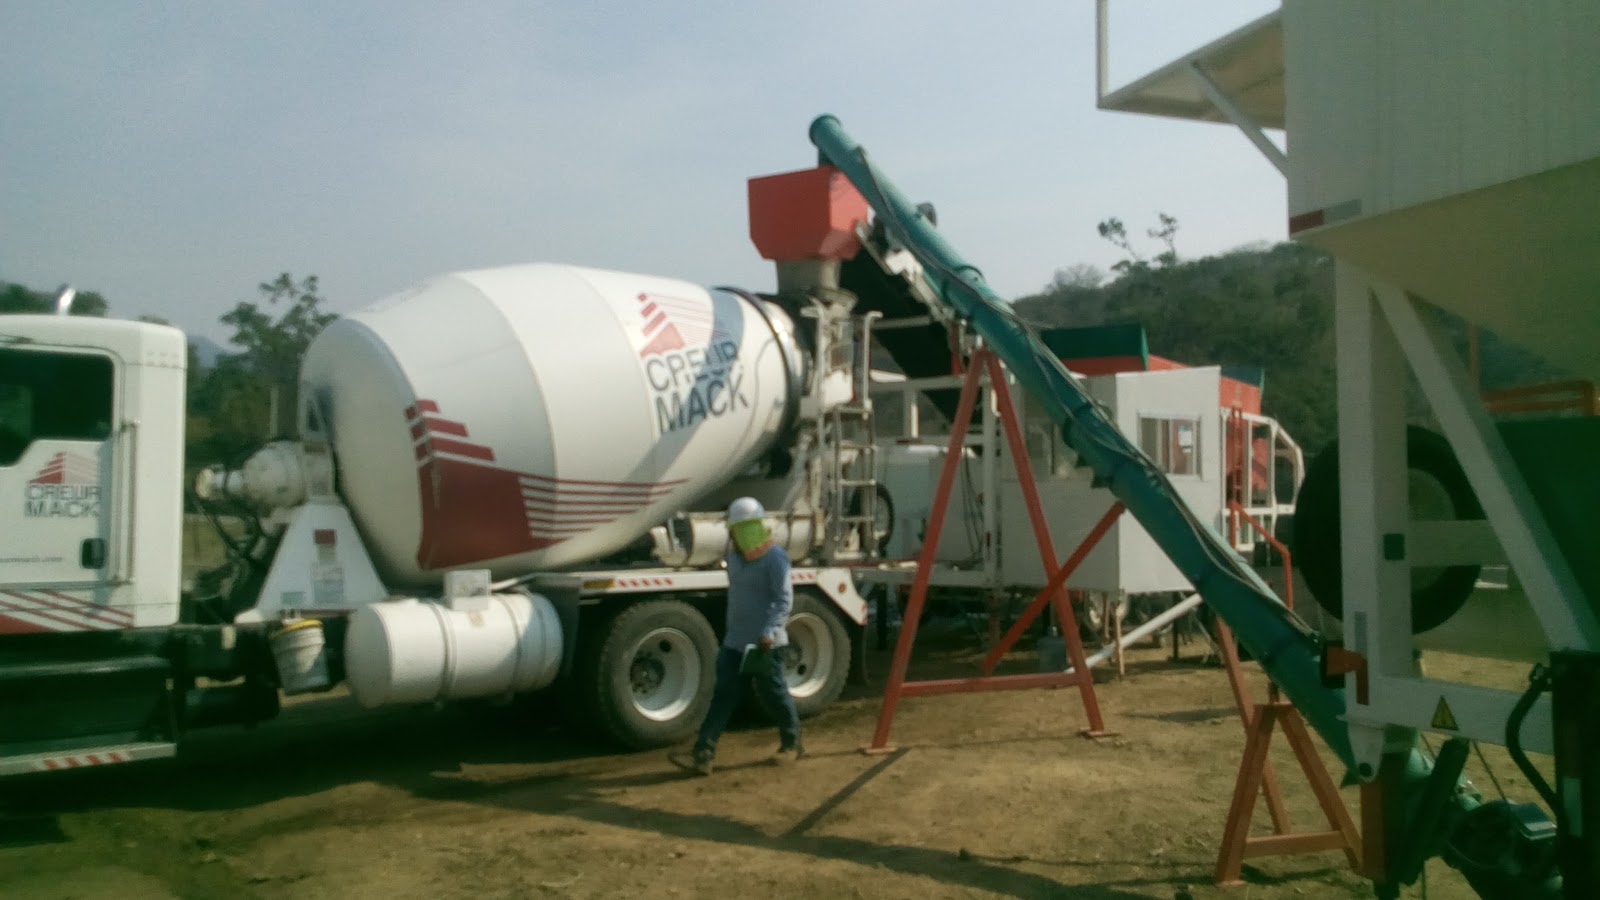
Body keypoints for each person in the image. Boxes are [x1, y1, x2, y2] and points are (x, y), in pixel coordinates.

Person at [673, 497, 802, 776]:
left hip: (765, 645)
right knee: (724, 694)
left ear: (752, 528)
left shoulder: (775, 558)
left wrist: (768, 630)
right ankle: (704, 752)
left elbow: (783, 600)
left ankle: (792, 743)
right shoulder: (732, 558)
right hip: (735, 642)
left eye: (737, 529)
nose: (733, 535)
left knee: (773, 693)